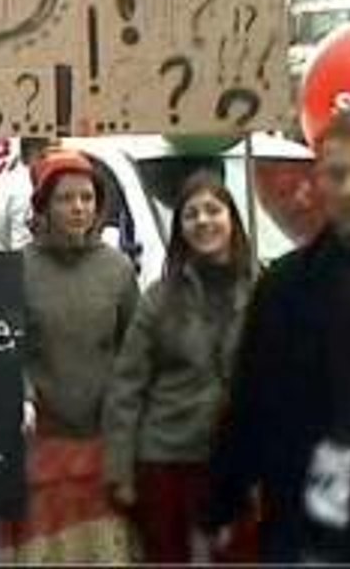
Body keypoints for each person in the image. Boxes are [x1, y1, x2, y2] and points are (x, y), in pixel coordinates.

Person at [201, 109, 350, 563]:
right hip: (309, 522)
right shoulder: (287, 289)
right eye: (337, 174)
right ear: (319, 181)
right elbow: (252, 400)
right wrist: (222, 502)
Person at [103, 170, 258, 563]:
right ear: (181, 228)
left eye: (213, 210)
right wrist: (120, 471)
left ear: (232, 219)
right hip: (166, 459)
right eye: (191, 214)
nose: (203, 221)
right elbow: (127, 387)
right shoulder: (159, 298)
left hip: (237, 459)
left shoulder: (263, 291)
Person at [0, 148, 142, 563]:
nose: (78, 208)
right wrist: (20, 396)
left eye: (87, 198)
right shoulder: (17, 270)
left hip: (102, 445)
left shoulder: (117, 270)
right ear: (43, 206)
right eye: (66, 198)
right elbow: (6, 347)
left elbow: (133, 351)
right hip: (40, 448)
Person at [0, 137, 53, 252]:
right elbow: (22, 247)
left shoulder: (10, 178)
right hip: (18, 261)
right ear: (40, 153)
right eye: (53, 152)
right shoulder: (27, 189)